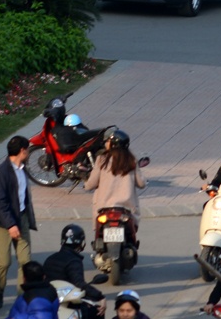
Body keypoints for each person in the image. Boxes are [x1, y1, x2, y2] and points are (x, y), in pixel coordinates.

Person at [82, 128, 145, 277]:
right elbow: (141, 183)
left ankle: (101, 251)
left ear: (114, 143)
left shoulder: (101, 160)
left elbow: (91, 183)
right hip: (126, 209)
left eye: (109, 141)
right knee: (131, 235)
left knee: (98, 234)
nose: (107, 143)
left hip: (104, 208)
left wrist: (85, 182)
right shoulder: (131, 161)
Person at [0, 135, 37, 307]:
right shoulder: (0, 174)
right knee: (5, 261)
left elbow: (22, 198)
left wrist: (24, 219)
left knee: (25, 261)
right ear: (22, 151)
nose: (30, 153)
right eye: (28, 150)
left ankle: (21, 298)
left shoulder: (22, 169)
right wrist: (10, 224)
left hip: (21, 218)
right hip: (3, 223)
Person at [43, 222, 103, 300]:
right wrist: (99, 296)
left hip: (49, 298)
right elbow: (79, 284)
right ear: (81, 242)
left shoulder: (50, 259)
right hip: (66, 300)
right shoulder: (74, 261)